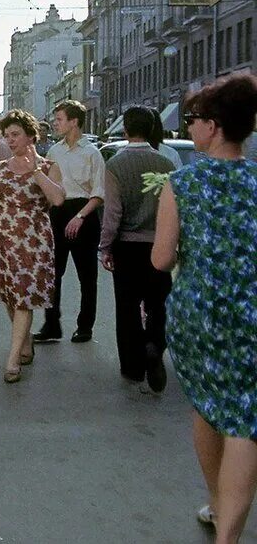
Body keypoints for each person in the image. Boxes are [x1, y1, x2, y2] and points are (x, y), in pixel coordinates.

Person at [152, 73, 257, 541]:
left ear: (212, 126)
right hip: (252, 311)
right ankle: (229, 532)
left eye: (193, 120)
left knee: (209, 407)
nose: (190, 127)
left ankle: (218, 505)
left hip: (200, 312)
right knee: (246, 417)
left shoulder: (184, 182)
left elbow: (161, 258)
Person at [0, 109, 66, 383]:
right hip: (5, 240)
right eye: (7, 136)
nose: (10, 141)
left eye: (15, 135)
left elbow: (58, 199)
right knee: (9, 296)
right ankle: (25, 341)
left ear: (31, 137)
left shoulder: (49, 166)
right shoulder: (1, 169)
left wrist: (35, 172)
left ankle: (13, 358)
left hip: (34, 242)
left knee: (25, 296)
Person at [98, 107, 175, 389]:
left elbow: (113, 213)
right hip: (159, 242)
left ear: (125, 129)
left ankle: (132, 366)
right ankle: (155, 343)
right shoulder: (166, 163)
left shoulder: (116, 165)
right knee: (159, 302)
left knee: (127, 307)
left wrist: (105, 246)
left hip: (127, 246)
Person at [36, 100, 105, 344]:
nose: (55, 124)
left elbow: (98, 193)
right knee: (52, 272)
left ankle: (85, 326)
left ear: (74, 122)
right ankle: (51, 324)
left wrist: (80, 217)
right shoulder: (54, 151)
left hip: (84, 213)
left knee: (87, 276)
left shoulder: (92, 153)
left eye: (59, 119)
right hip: (59, 211)